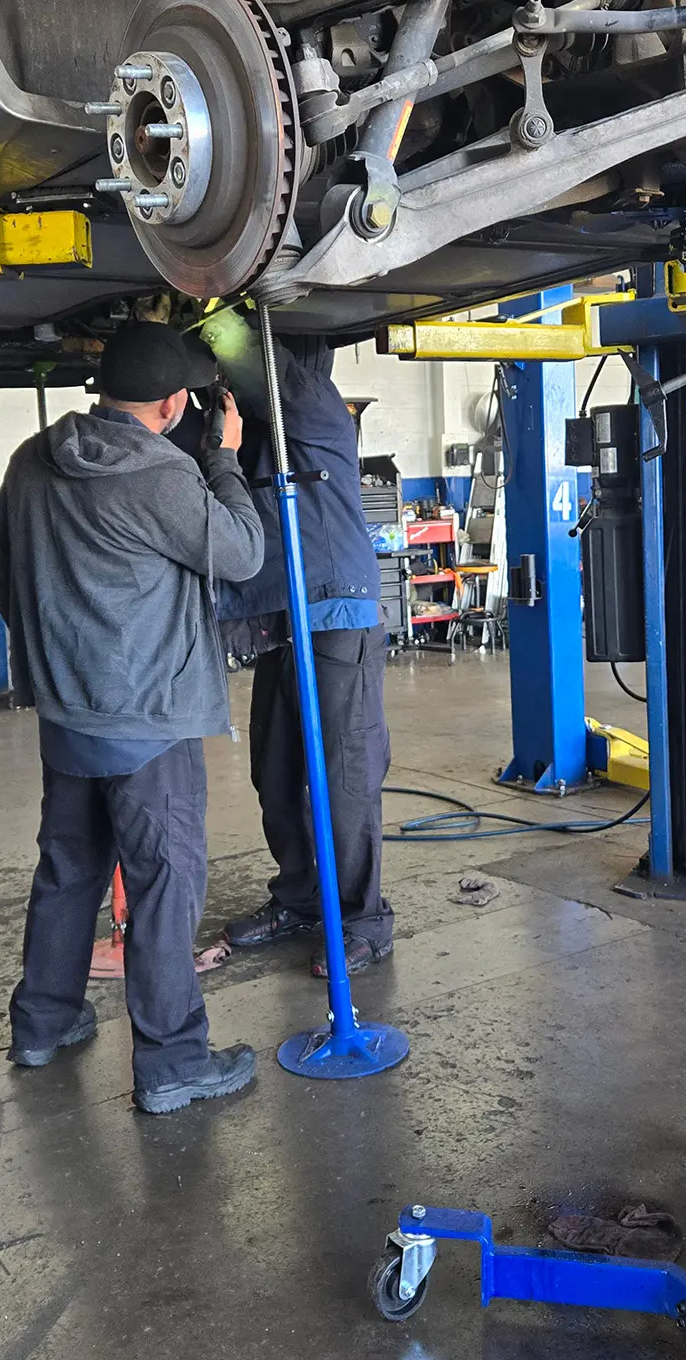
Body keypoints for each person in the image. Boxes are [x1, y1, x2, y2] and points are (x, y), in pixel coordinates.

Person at [0, 322, 264, 1114]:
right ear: (175, 404)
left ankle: (44, 1022)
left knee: (68, 870)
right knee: (165, 882)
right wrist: (225, 458)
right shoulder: (161, 473)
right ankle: (174, 1064)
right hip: (150, 720)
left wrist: (61, 651)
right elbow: (242, 553)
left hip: (68, 715)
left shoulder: (31, 459)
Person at [206, 318, 395, 977]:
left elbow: (245, 355)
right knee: (277, 772)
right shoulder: (256, 425)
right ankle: (301, 898)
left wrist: (209, 313)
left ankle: (363, 919)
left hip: (336, 610)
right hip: (283, 615)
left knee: (342, 778)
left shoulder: (309, 402)